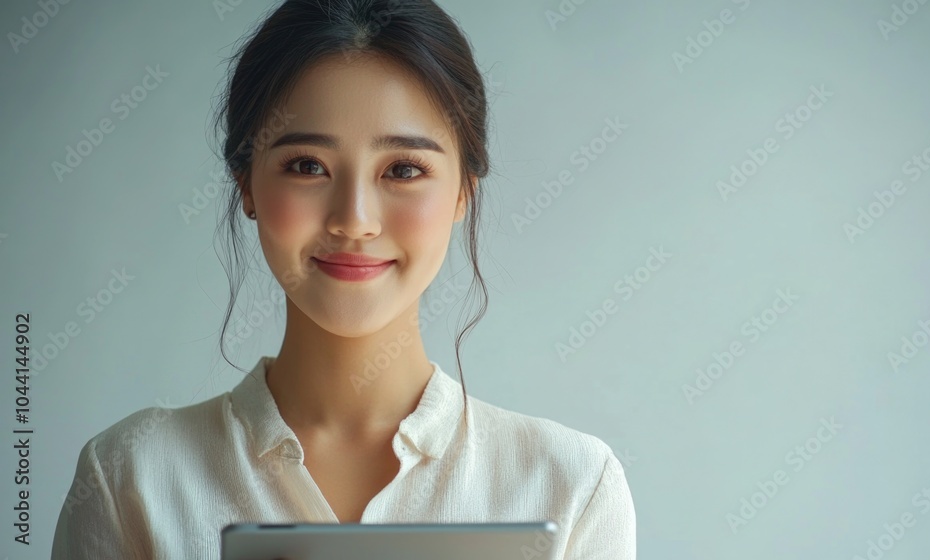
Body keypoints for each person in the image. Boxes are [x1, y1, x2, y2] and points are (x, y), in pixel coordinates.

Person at [50, 1, 636, 558]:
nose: (354, 220)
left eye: (404, 169)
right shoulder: (130, 478)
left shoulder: (573, 487)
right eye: (307, 165)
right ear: (246, 185)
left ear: (463, 193)